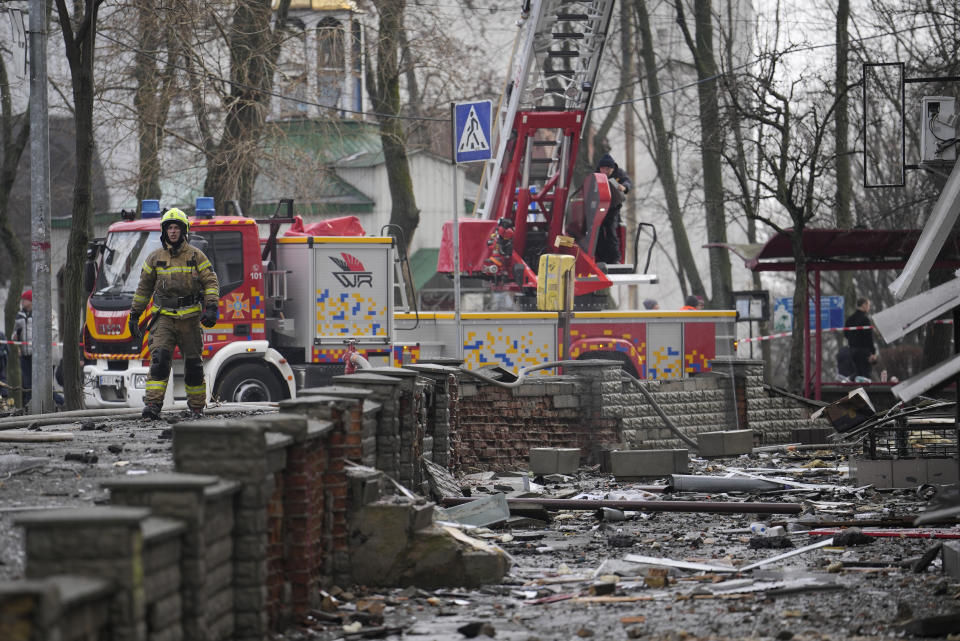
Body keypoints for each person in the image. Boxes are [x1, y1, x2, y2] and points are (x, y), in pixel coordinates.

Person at [129, 208, 220, 420]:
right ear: (164, 231)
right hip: (163, 318)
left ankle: (197, 407)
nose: (172, 231)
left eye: (176, 227)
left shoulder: (196, 256)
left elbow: (210, 282)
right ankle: (152, 405)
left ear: (183, 230)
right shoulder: (154, 258)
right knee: (159, 359)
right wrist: (135, 315)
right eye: (169, 227)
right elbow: (143, 289)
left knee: (194, 365)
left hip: (190, 319)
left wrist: (212, 307)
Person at [595, 153, 632, 265]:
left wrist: (623, 187)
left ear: (612, 168)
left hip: (613, 209)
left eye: (607, 169)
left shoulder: (618, 174)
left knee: (611, 231)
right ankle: (600, 258)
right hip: (598, 209)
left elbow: (627, 182)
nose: (604, 172)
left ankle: (615, 259)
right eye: (602, 169)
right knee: (597, 232)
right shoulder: (595, 175)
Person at [843, 297, 877, 382]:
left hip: (852, 350)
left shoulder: (849, 319)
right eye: (868, 305)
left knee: (857, 372)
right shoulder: (865, 319)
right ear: (864, 305)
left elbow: (845, 334)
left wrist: (853, 340)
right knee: (865, 375)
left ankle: (850, 380)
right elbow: (868, 337)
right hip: (864, 351)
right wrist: (873, 352)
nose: (869, 308)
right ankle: (864, 391)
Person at [12, 290, 33, 406]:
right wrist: (16, 341)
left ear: (30, 301)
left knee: (34, 381)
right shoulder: (19, 315)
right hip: (24, 354)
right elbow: (14, 334)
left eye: (24, 299)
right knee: (25, 382)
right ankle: (26, 404)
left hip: (35, 355)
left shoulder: (37, 314)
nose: (22, 302)